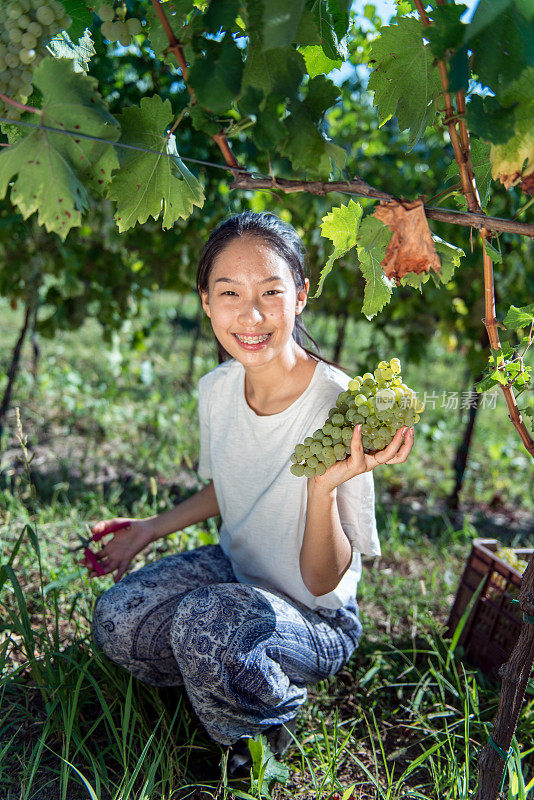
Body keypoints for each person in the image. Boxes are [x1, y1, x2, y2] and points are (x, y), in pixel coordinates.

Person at [88, 211, 414, 775]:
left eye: (271, 291)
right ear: (206, 301)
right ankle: (222, 670)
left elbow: (322, 580)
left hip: (317, 620)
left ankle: (267, 724)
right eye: (230, 292)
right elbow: (229, 486)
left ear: (301, 296)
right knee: (119, 619)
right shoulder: (215, 390)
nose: (253, 314)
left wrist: (321, 489)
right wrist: (149, 529)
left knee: (203, 621)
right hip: (236, 574)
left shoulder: (341, 408)